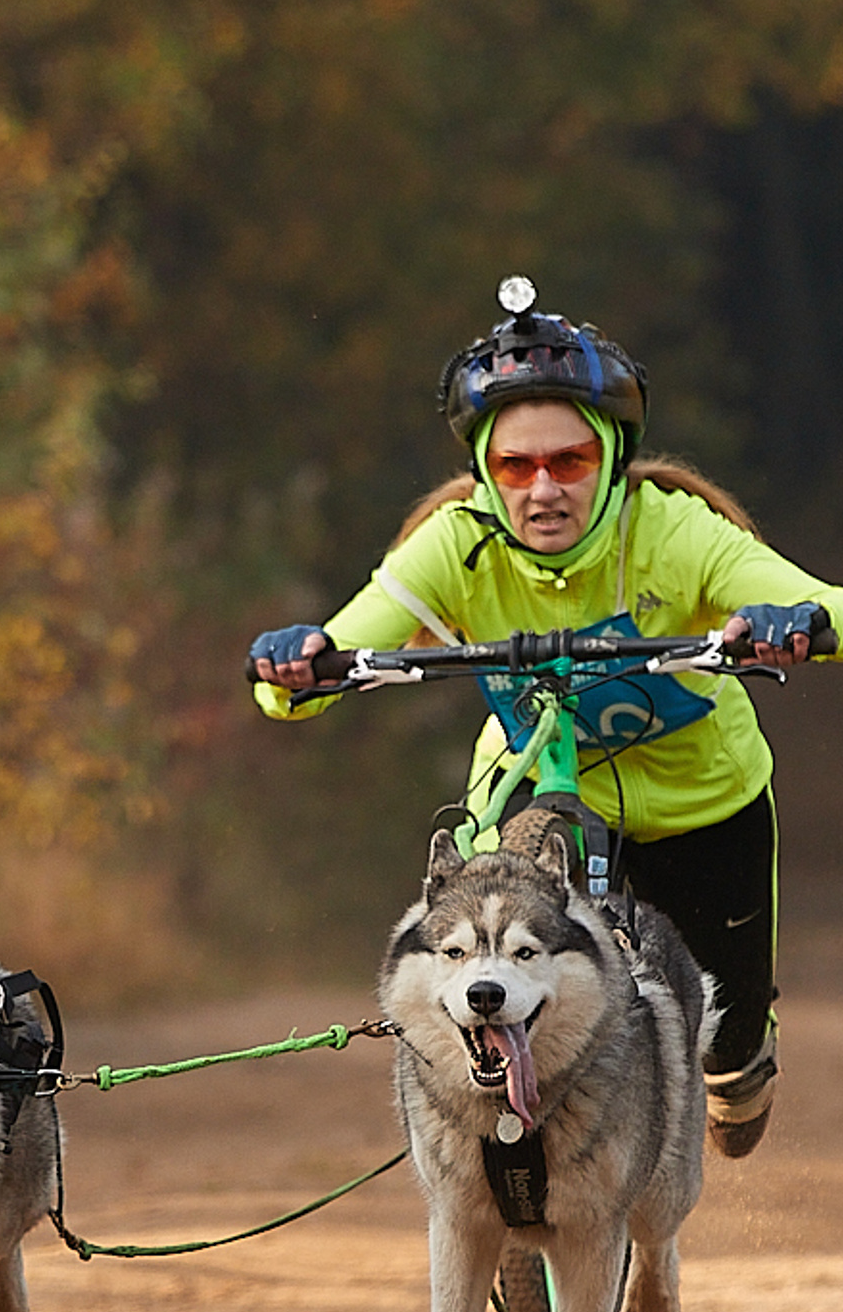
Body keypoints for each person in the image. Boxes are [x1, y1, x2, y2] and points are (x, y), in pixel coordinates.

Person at [248, 286, 839, 1158]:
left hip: (702, 807)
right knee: (490, 953)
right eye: (517, 469)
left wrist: (798, 623)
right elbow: (316, 669)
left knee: (730, 1053)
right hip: (534, 794)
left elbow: (823, 603)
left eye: (569, 463)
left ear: (611, 459)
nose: (544, 490)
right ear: (487, 473)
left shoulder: (675, 532)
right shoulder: (455, 542)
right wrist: (301, 662)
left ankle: (736, 1069)